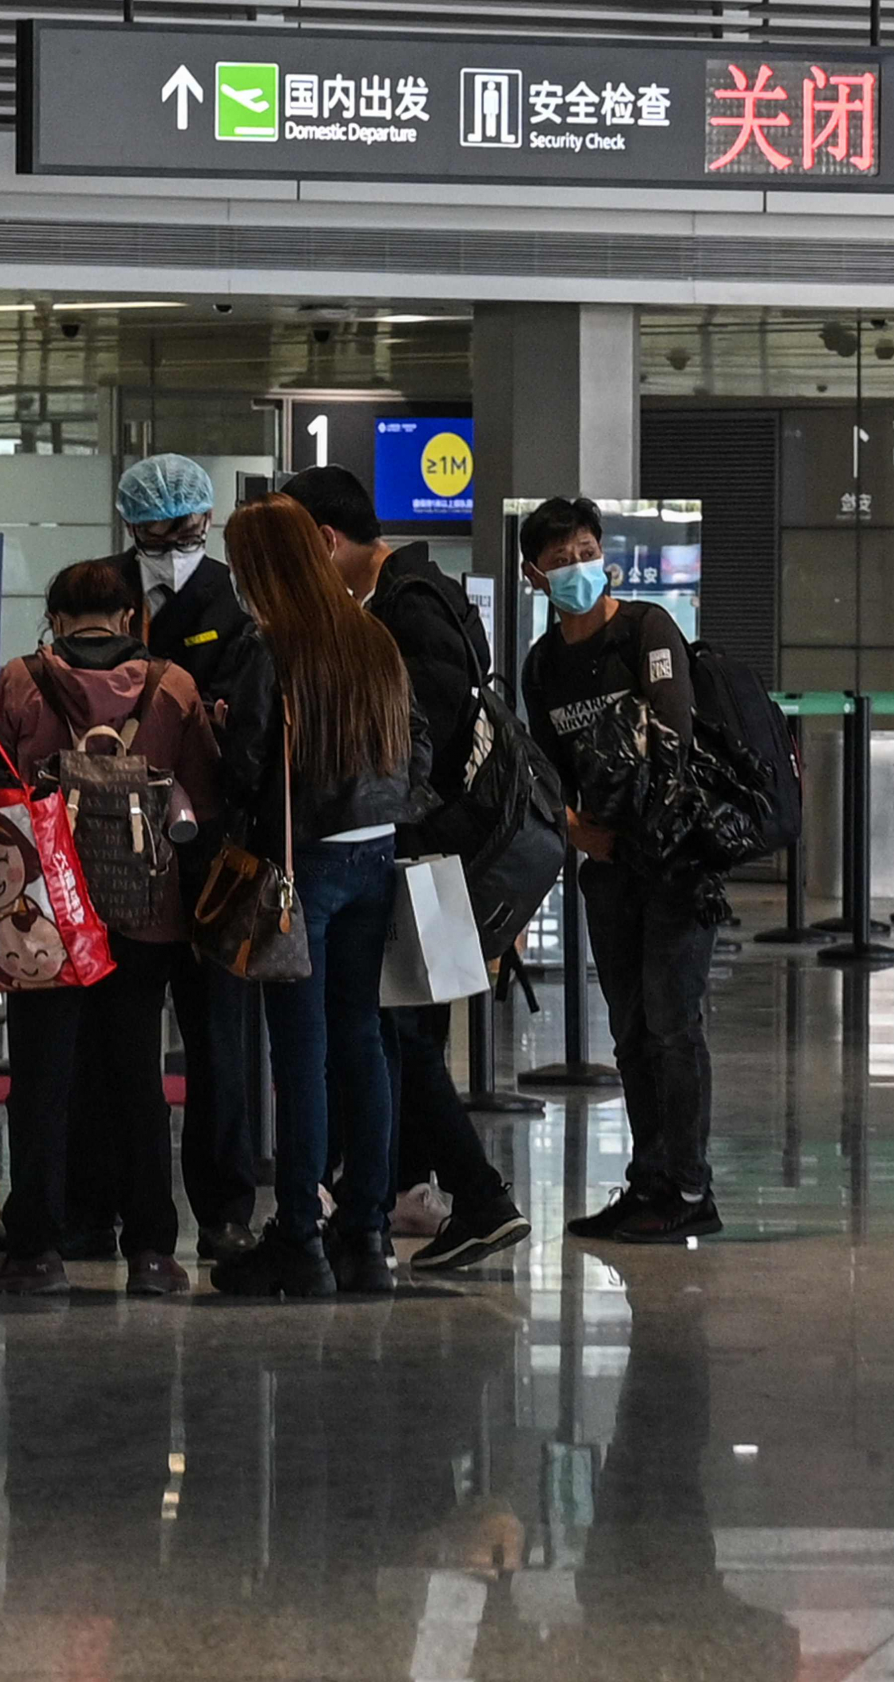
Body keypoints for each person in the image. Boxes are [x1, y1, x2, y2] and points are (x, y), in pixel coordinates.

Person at [279, 463, 534, 1273]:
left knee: (399, 1028)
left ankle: (477, 1196)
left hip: (421, 844)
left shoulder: (407, 608)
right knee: (396, 1024)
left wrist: (379, 812)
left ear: (325, 541)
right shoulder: (422, 593)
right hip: (421, 840)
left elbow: (419, 741)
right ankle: (400, 1193)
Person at [0, 557, 221, 1298]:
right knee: (138, 1080)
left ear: (55, 619)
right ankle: (152, 1252)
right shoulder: (173, 686)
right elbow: (205, 795)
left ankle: (36, 1250)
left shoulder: (21, 682)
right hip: (145, 912)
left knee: (41, 1080)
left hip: (44, 917)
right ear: (128, 618)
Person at [209, 495, 428, 1297]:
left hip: (301, 869)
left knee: (300, 1055)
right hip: (376, 855)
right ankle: (366, 1236)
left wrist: (221, 733)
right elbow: (417, 748)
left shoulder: (272, 646)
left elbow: (246, 770)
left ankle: (298, 1235)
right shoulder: (372, 638)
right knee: (361, 1041)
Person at [516, 496, 723, 1245]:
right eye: (559, 559)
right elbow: (547, 773)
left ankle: (689, 1186)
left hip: (675, 859)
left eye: (586, 552)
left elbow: (675, 733)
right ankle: (651, 1178)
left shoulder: (645, 629)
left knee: (673, 1023)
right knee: (632, 1031)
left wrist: (643, 831)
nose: (577, 567)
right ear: (534, 575)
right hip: (607, 868)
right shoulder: (543, 665)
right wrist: (578, 831)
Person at [100, 453, 264, 1260]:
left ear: (208, 519)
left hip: (213, 853)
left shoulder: (239, 598)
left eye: (185, 528)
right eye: (153, 532)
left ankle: (226, 1208)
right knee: (123, 1045)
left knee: (219, 1043)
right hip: (118, 850)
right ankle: (127, 1208)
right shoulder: (105, 591)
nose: (170, 544)